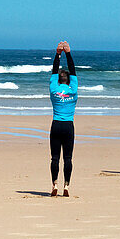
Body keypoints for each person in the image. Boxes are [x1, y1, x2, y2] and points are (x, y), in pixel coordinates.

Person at [48, 41, 78, 197]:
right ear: (69, 80)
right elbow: (73, 71)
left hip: (56, 125)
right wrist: (68, 53)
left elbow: (54, 70)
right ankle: (66, 186)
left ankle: (54, 184)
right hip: (68, 126)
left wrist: (58, 54)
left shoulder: (53, 89)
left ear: (58, 80)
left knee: (54, 157)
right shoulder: (73, 89)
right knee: (68, 158)